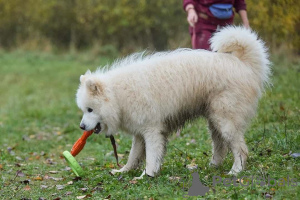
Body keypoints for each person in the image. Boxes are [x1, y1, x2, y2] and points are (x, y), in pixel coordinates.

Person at [183, 0, 250, 50]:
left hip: (226, 26)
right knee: (203, 57)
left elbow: (240, 3)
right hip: (204, 23)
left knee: (227, 59)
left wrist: (246, 23)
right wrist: (190, 10)